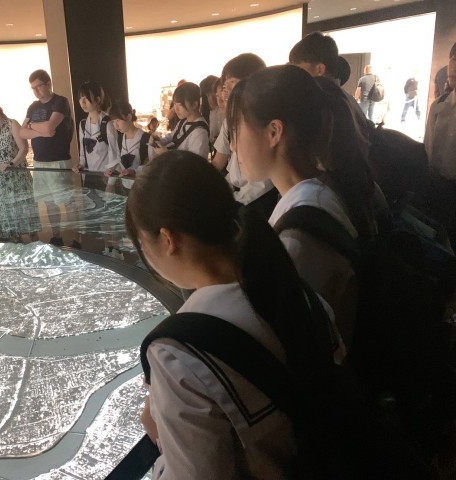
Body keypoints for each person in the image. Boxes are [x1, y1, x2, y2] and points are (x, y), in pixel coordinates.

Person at [127, 150, 342, 478]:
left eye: (143, 243)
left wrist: (162, 439)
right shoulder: (298, 292)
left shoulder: (178, 355)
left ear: (168, 239)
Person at [227, 64, 377, 346]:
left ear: (274, 132)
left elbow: (286, 339)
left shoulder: (301, 234)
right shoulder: (317, 193)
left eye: (235, 130)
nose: (233, 146)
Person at [211, 54, 277, 218]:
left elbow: (262, 183)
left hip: (258, 200)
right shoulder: (229, 122)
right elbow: (219, 163)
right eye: (224, 87)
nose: (225, 94)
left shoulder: (261, 123)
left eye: (232, 84)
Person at [20, 69, 74, 247]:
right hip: (39, 161)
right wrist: (41, 130)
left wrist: (32, 126)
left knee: (67, 202)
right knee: (49, 202)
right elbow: (22, 132)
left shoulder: (60, 102)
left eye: (38, 86)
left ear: (48, 83)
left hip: (58, 160)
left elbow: (51, 127)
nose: (36, 91)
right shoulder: (33, 106)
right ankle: (56, 235)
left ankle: (76, 239)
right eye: (33, 88)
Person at [0, 96, 39, 242]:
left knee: (22, 209)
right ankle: (13, 242)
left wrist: (12, 164)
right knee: (3, 211)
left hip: (15, 175)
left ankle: (34, 242)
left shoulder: (12, 124)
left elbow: (23, 149)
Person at [425, 42, 456, 248]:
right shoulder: (439, 106)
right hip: (438, 191)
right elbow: (428, 150)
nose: (453, 65)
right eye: (453, 58)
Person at [150, 82, 210, 160]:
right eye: (175, 104)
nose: (176, 109)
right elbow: (171, 136)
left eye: (180, 105)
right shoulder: (183, 121)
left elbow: (195, 163)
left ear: (194, 104)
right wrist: (159, 141)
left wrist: (167, 154)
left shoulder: (200, 132)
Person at [72, 80, 118, 178]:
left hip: (106, 177)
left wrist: (111, 181)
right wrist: (80, 165)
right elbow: (83, 153)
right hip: (90, 176)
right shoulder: (82, 124)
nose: (82, 102)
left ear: (97, 99)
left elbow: (114, 154)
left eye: (86, 98)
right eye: (80, 98)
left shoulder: (107, 123)